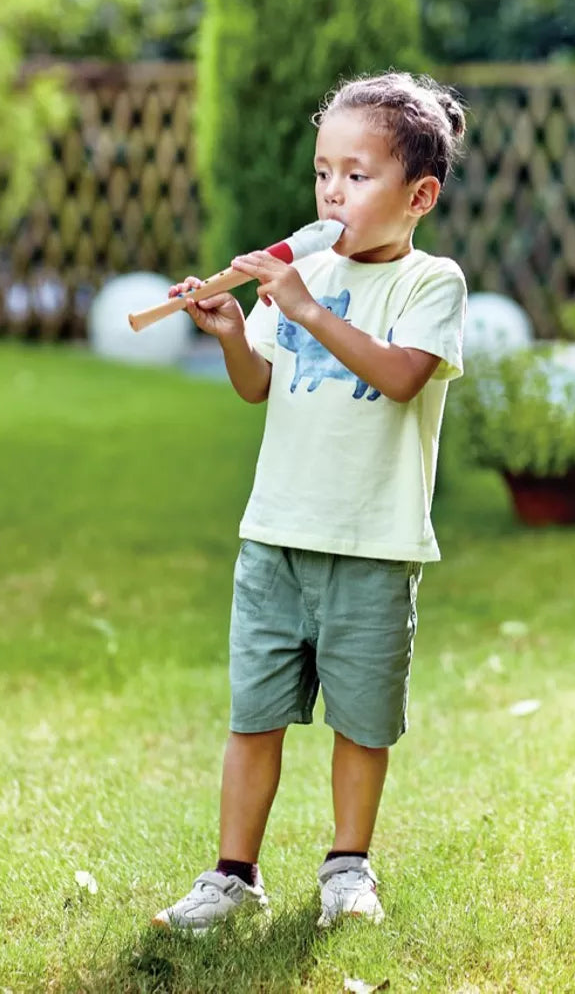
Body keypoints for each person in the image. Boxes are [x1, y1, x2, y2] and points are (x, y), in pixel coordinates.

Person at [151, 71, 467, 934]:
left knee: (361, 725)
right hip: (276, 536)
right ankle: (232, 876)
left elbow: (401, 377)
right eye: (324, 171)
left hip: (374, 545)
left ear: (419, 196)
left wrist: (308, 306)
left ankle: (347, 868)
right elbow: (259, 385)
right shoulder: (305, 272)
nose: (333, 191)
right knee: (254, 716)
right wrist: (232, 334)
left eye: (357, 175)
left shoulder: (431, 283)